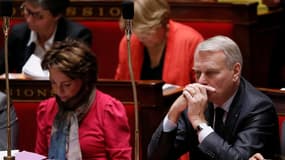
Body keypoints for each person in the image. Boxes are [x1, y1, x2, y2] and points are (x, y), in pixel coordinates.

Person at [147, 35, 280, 160]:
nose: (201, 81)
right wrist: (173, 113)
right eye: (198, 73)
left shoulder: (258, 108)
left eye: (211, 73)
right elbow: (156, 157)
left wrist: (200, 124)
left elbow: (240, 157)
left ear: (235, 71)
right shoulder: (196, 102)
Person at [34, 38, 132, 159]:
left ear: (85, 80)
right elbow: (40, 156)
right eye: (53, 83)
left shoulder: (108, 110)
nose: (58, 91)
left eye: (67, 85)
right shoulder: (46, 109)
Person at [115, 0, 203, 86]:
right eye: (137, 32)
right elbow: (122, 86)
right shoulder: (129, 41)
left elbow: (202, 87)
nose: (141, 37)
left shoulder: (190, 41)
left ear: (163, 22)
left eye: (147, 31)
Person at [0, 0, 92, 75]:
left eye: (37, 16)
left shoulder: (77, 36)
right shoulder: (18, 33)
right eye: (27, 11)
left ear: (57, 16)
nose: (29, 20)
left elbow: (76, 77)